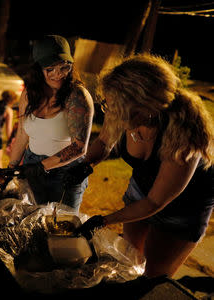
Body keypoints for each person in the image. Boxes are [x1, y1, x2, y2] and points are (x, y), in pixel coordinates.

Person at [75, 54, 214, 278]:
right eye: (107, 104)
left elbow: (154, 202)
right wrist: (83, 165)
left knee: (153, 275)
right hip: (140, 192)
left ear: (145, 106)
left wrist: (103, 220)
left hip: (182, 210)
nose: (109, 111)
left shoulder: (185, 137)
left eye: (114, 106)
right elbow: (104, 142)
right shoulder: (119, 109)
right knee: (129, 260)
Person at [8, 35, 94, 210]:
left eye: (64, 67)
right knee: (32, 222)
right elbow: (23, 134)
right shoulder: (28, 95)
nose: (59, 74)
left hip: (66, 172)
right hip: (32, 165)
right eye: (50, 69)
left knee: (62, 228)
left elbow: (79, 147)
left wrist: (40, 167)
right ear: (38, 69)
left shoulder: (77, 96)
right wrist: (10, 169)